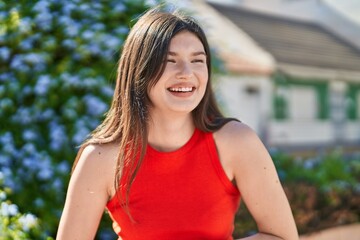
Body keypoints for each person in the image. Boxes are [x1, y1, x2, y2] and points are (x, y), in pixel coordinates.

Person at [56, 6, 299, 240]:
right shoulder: (100, 158)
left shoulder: (237, 142)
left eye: (197, 60)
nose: (186, 72)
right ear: (139, 71)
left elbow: (282, 236)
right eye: (170, 61)